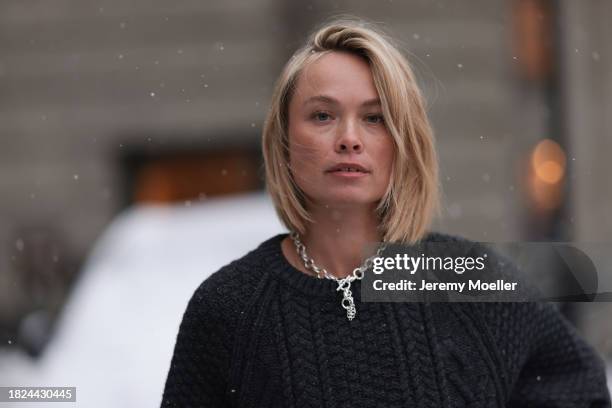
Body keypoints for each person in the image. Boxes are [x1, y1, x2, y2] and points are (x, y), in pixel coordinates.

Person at [161, 17, 610, 407]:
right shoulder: (230, 307)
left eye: (374, 118)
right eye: (322, 116)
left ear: (404, 141)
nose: (349, 138)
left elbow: (578, 387)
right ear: (283, 140)